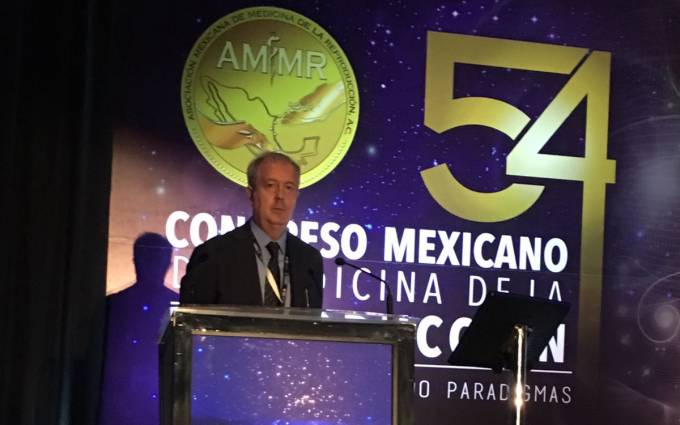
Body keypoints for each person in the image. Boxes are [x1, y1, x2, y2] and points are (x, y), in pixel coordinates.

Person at [179, 152, 323, 308]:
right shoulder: (214, 255)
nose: (280, 196)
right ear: (251, 194)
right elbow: (192, 320)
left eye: (289, 187)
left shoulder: (309, 259)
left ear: (296, 195)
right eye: (270, 185)